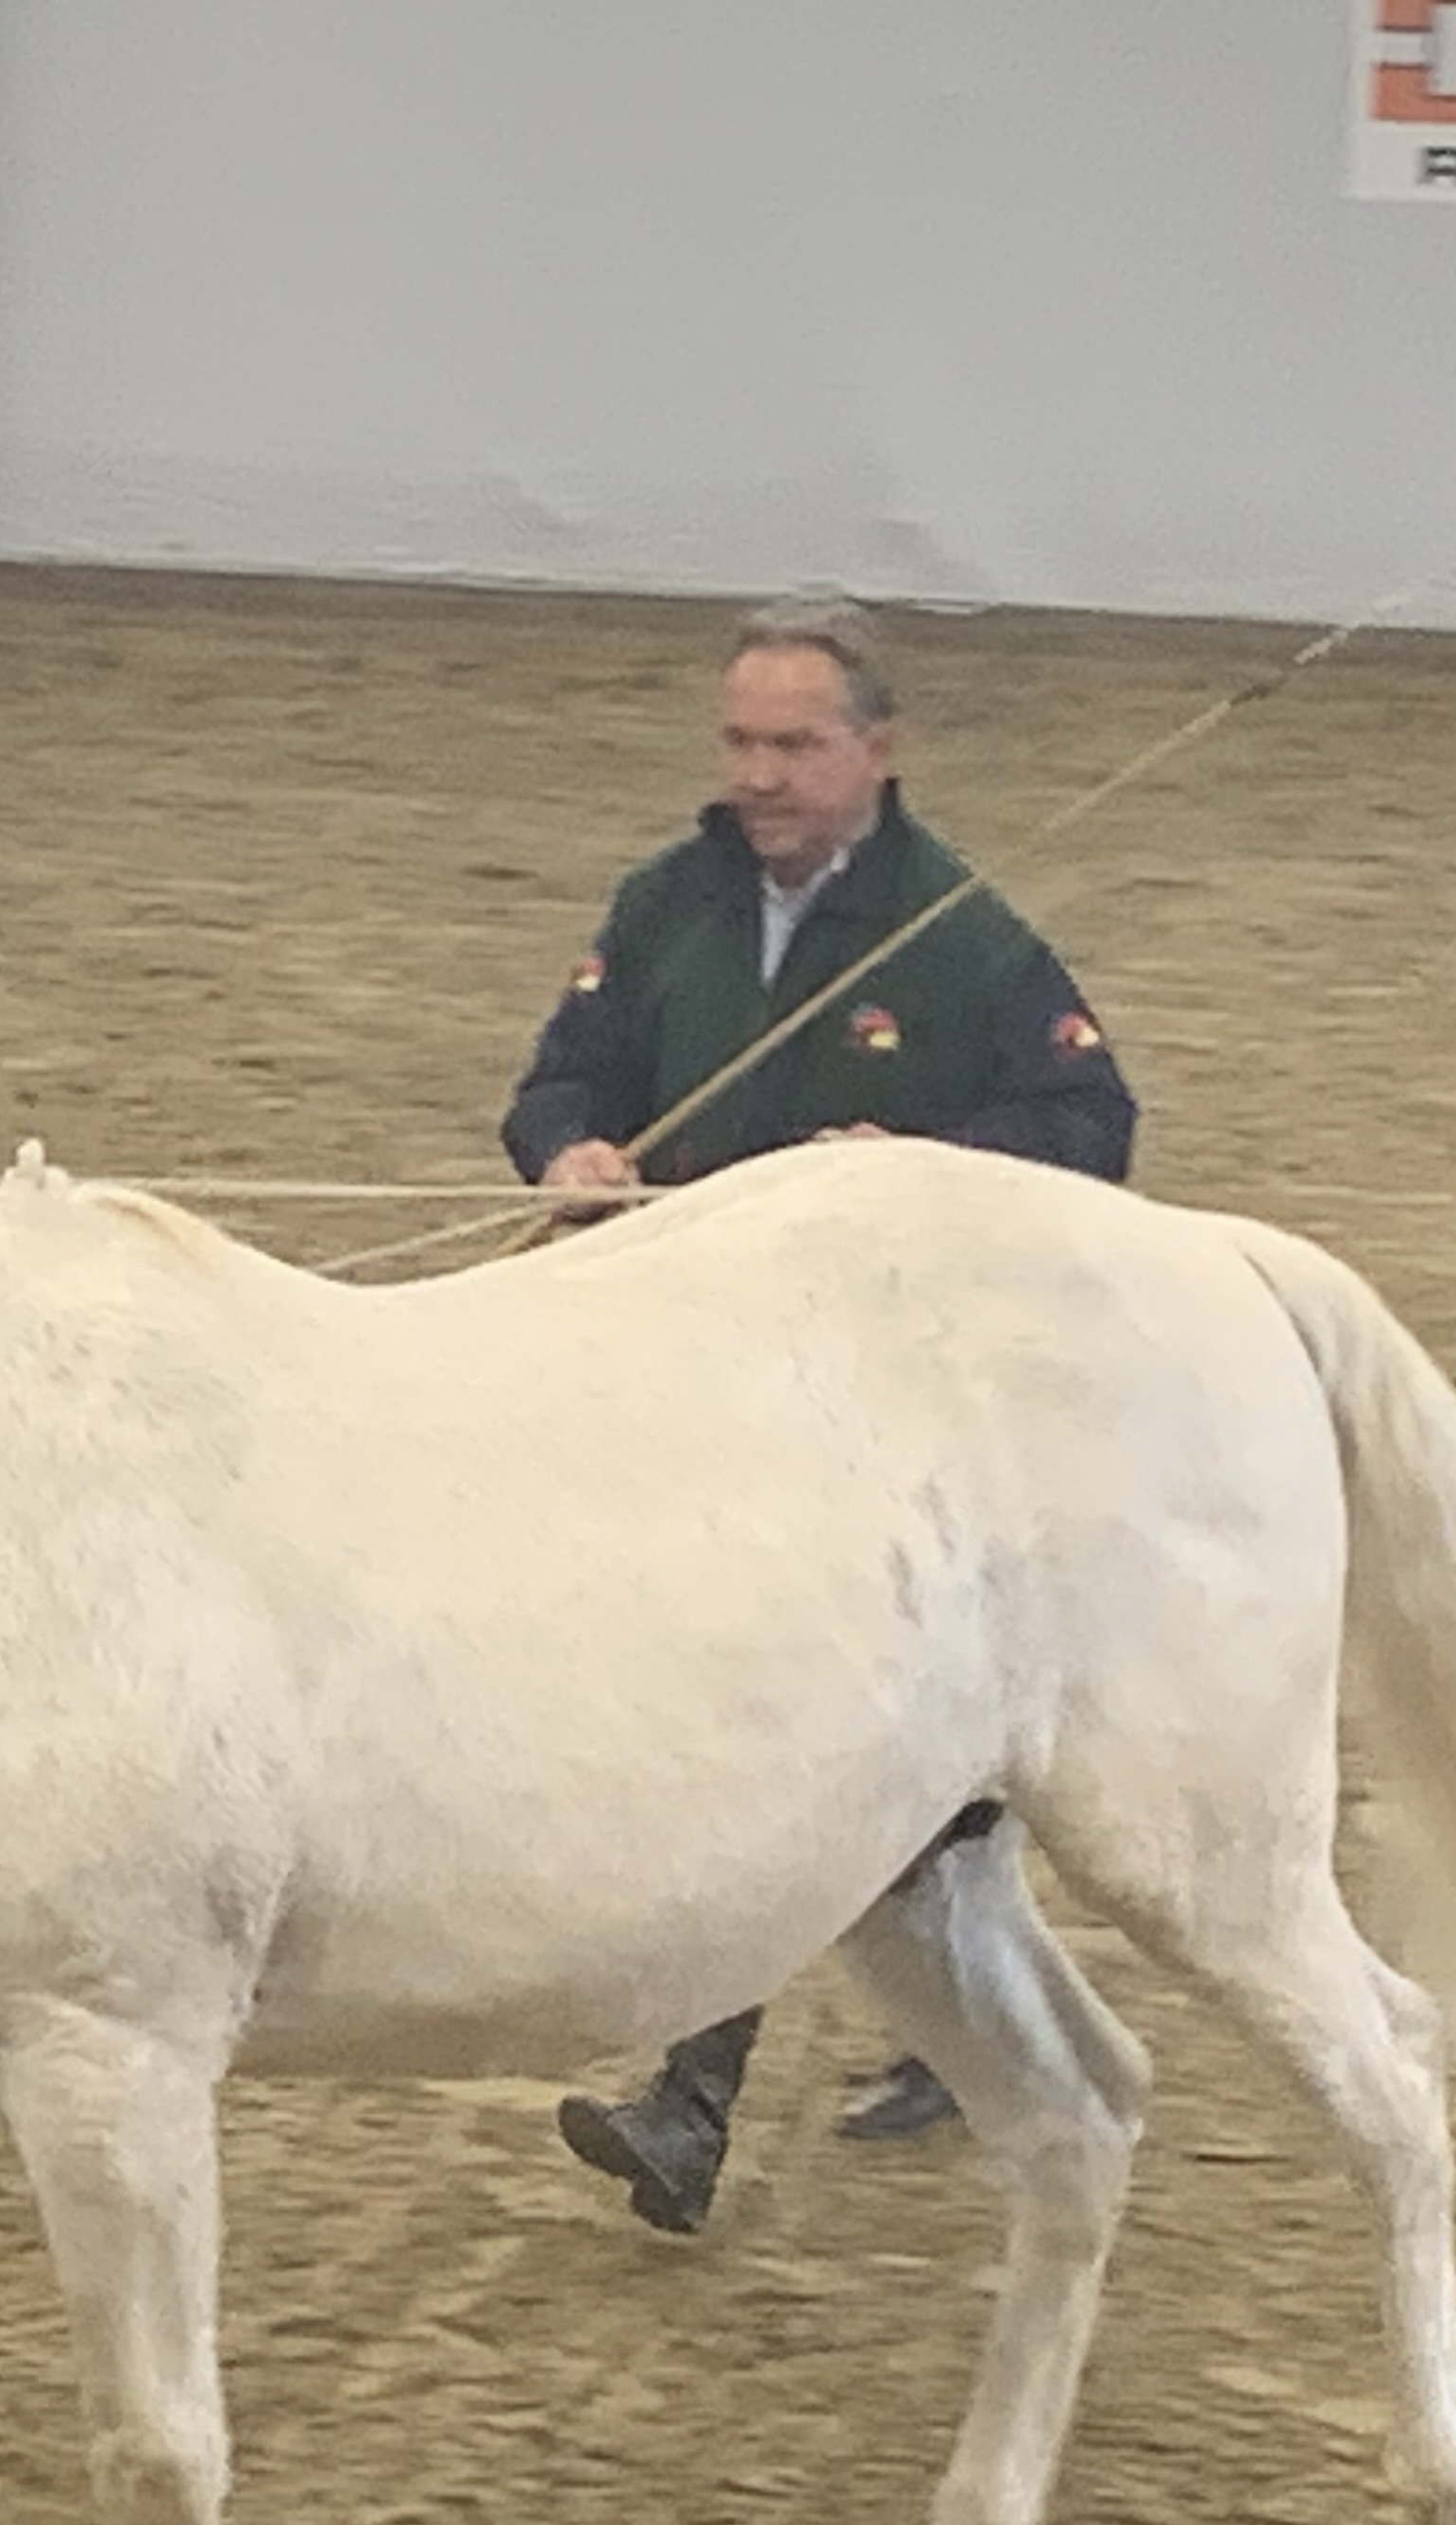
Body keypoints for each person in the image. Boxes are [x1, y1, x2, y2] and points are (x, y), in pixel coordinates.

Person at [500, 592, 1139, 2235]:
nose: (761, 775)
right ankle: (945, 2005)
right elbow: (562, 1077)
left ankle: (698, 2100)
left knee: (777, 1728)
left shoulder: (961, 936)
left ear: (878, 749)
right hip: (686, 1366)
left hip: (878, 1420)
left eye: (794, 744)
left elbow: (1087, 1120)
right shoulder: (668, 905)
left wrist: (920, 1173)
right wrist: (573, 1151)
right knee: (868, 1769)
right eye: (741, 741)